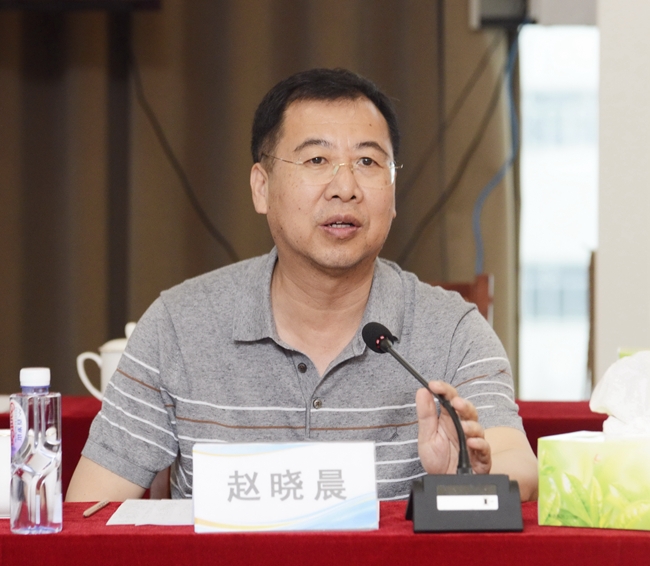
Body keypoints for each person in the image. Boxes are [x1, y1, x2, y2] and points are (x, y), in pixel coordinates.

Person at [67, 68, 538, 503]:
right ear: (262, 187)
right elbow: (89, 506)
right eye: (317, 159)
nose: (345, 187)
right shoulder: (180, 324)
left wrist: (467, 477)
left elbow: (518, 465)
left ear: (393, 192)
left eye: (368, 161)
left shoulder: (453, 330)